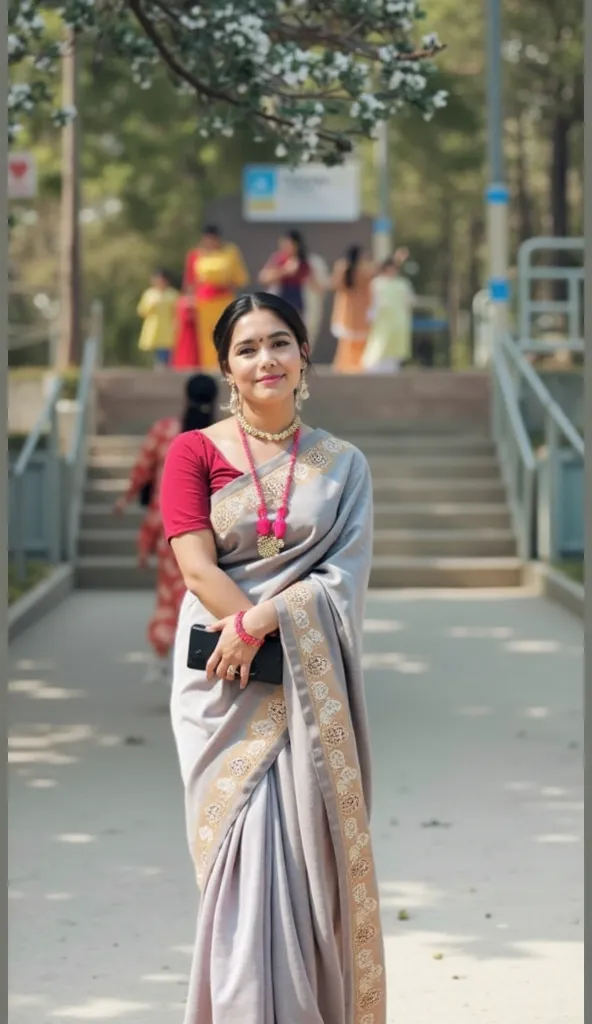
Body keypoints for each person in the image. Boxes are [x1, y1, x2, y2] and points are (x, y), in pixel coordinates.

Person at [160, 292, 386, 1023]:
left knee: (299, 859)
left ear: (304, 356)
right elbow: (195, 568)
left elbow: (342, 580)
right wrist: (247, 628)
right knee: (239, 864)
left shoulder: (344, 465)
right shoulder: (193, 452)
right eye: (248, 347)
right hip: (222, 685)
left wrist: (264, 618)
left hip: (301, 677)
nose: (266, 359)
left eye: (280, 342)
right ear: (226, 364)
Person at [112, 374, 219, 685]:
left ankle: (163, 654)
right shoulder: (221, 436)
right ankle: (198, 662)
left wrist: (126, 498)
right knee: (204, 595)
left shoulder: (165, 431)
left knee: (170, 593)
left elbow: (143, 468)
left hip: (170, 527)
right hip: (214, 528)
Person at [183, 225, 249, 370]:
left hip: (224, 300)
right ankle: (209, 368)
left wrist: (225, 283)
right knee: (206, 337)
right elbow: (190, 281)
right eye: (207, 238)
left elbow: (241, 278)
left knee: (225, 333)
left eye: (213, 238)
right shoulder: (197, 255)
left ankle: (227, 365)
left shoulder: (230, 252)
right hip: (204, 302)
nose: (210, 242)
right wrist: (189, 299)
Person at [362, 248, 414, 373]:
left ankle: (392, 367)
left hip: (398, 320)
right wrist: (371, 314)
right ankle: (373, 366)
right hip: (382, 319)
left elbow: (408, 301)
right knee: (380, 342)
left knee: (395, 345)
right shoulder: (377, 283)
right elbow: (372, 301)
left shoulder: (403, 283)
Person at [330, 245, 375, 373]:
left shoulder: (342, 268)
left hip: (346, 311)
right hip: (361, 311)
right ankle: (357, 366)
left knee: (346, 343)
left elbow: (334, 285)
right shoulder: (365, 270)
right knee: (360, 343)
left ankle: (343, 365)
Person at [258, 229, 314, 315]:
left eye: (288, 243)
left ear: (296, 245)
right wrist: (284, 271)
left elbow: (311, 283)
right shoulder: (278, 259)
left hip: (295, 303)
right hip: (278, 300)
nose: (284, 246)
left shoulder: (303, 262)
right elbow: (263, 278)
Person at [136, 269, 179, 369]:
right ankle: (157, 366)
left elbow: (177, 311)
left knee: (167, 347)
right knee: (156, 348)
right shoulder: (149, 294)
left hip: (168, 325)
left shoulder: (173, 294)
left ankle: (166, 365)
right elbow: (141, 311)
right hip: (153, 326)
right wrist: (151, 306)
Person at [171, 292, 200, 369]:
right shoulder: (182, 301)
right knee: (185, 347)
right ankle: (184, 363)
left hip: (194, 329)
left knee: (193, 348)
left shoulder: (196, 300)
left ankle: (193, 363)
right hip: (185, 329)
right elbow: (180, 315)